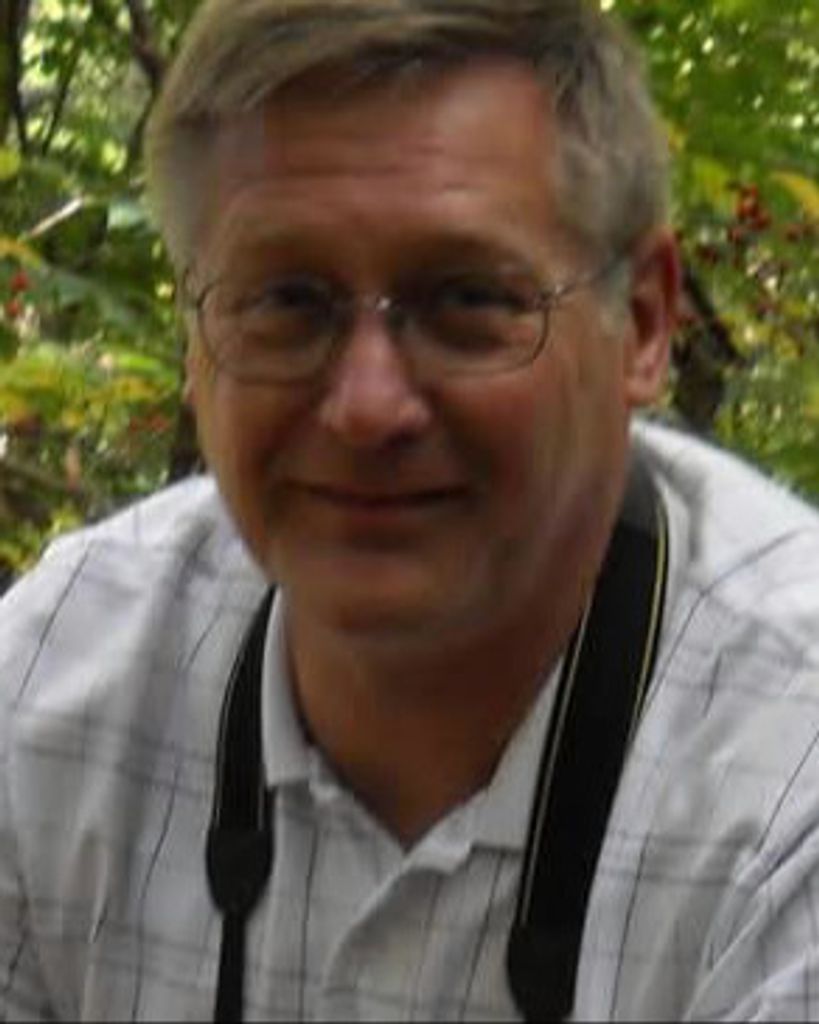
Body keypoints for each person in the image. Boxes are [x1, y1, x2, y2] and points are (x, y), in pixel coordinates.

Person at [3, 0, 819, 1019]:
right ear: (196, 334)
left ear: (644, 324)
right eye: (287, 302)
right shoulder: (58, 681)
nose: (366, 407)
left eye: (467, 301)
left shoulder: (785, 763)